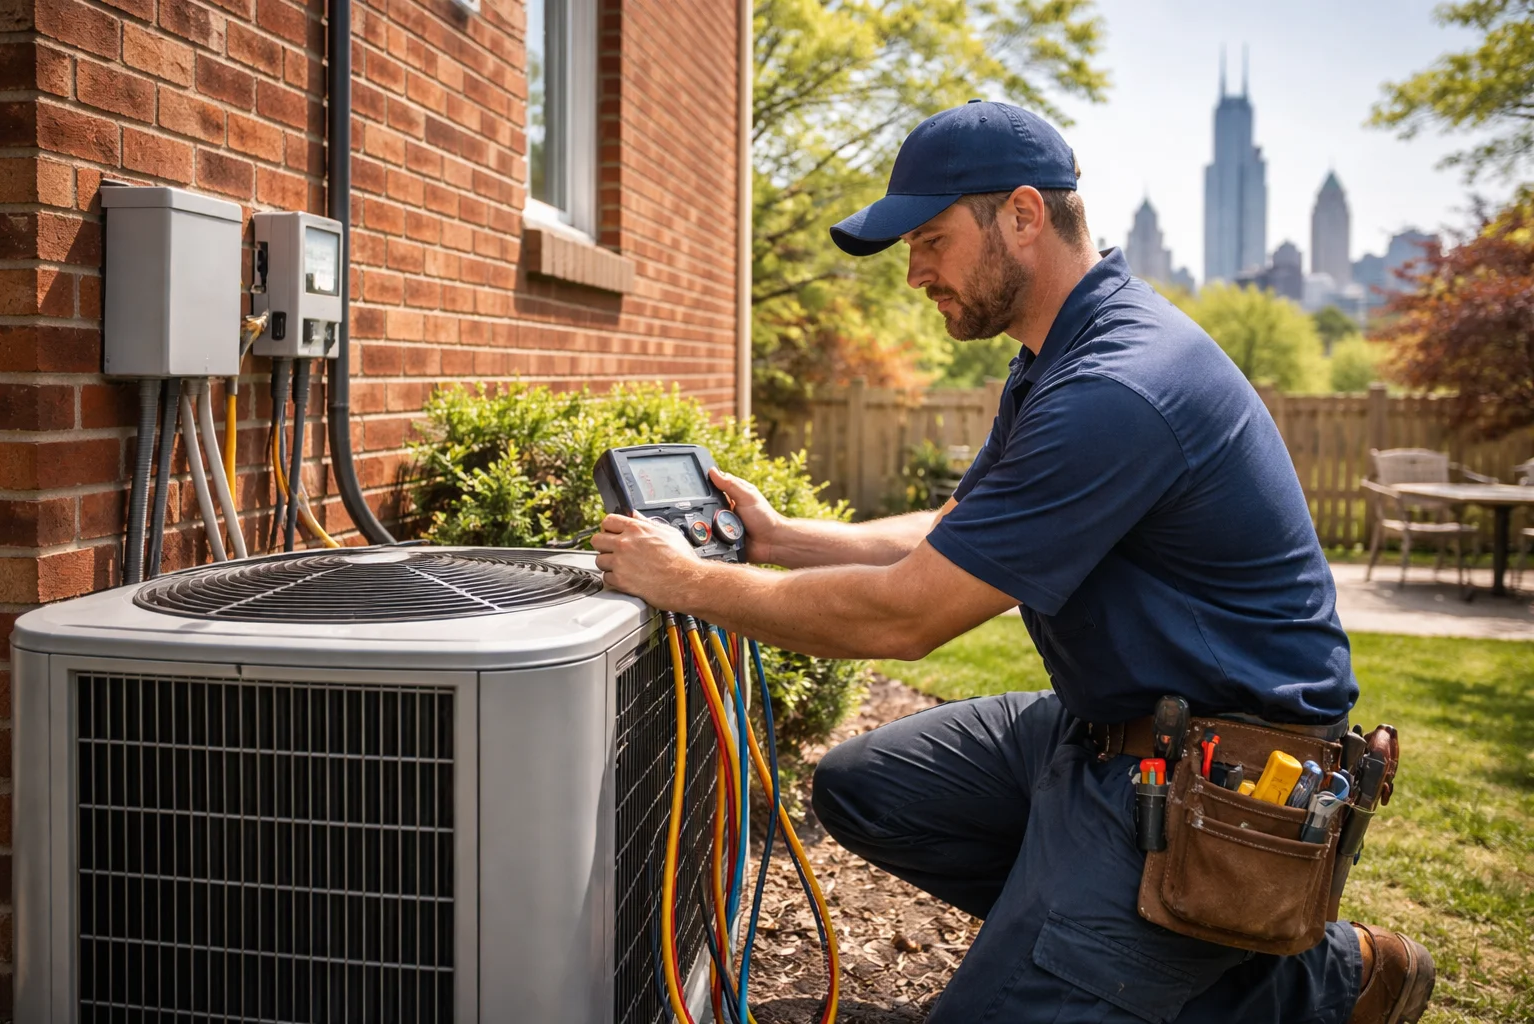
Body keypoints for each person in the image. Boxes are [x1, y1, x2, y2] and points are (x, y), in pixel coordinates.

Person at [592, 101, 1433, 1023]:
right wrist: (778, 537)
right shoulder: (1056, 358)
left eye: (931, 241)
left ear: (1024, 215)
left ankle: (1295, 976)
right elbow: (953, 530)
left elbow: (906, 615)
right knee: (867, 789)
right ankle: (1184, 953)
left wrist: (689, 581)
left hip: (1220, 779)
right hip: (1108, 729)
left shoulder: (1117, 386)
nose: (915, 273)